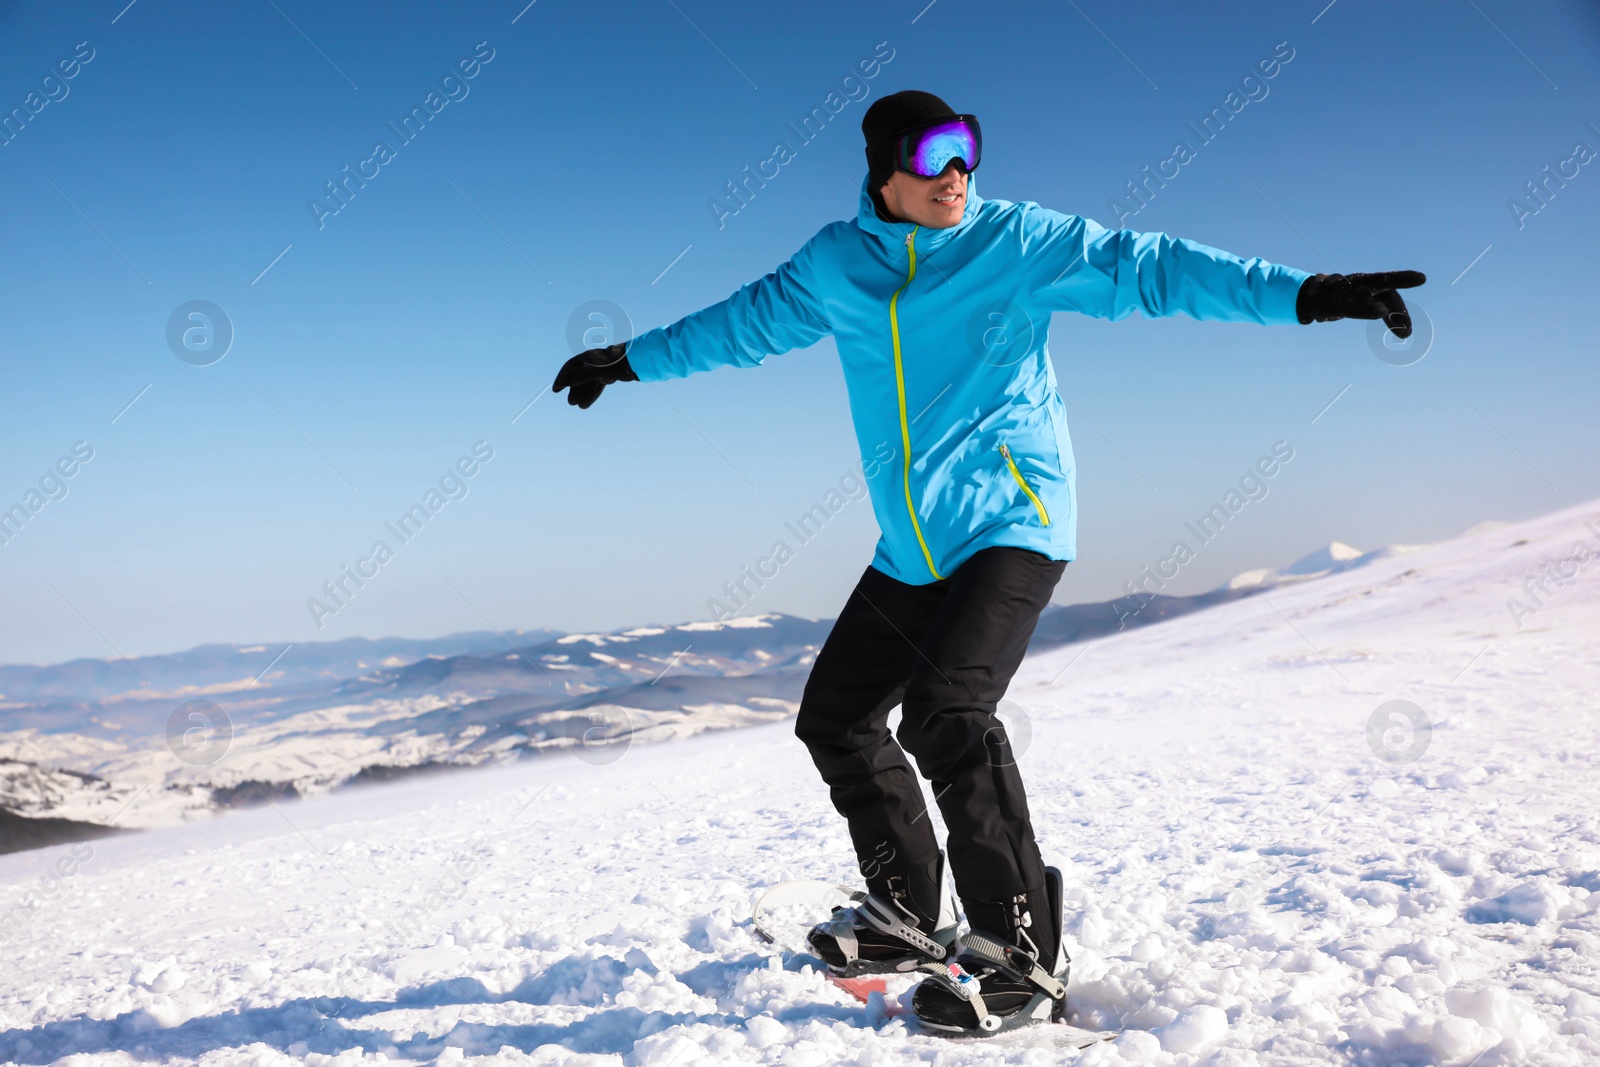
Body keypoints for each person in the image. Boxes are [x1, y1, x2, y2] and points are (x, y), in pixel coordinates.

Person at [553, 90, 1423, 1036]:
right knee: (837, 717)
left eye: (969, 150)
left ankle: (1019, 952)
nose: (956, 173)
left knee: (947, 714)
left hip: (1015, 519)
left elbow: (1153, 270)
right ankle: (908, 916)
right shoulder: (836, 265)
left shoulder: (1016, 241)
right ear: (884, 172)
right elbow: (740, 324)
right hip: (912, 546)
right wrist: (630, 360)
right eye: (933, 155)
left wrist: (1307, 293)